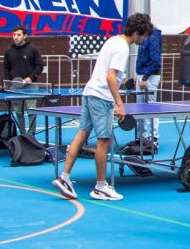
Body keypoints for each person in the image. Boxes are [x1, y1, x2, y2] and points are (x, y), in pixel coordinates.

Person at [51, 13, 154, 201]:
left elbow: (108, 75)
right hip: (101, 98)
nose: (145, 39)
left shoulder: (112, 41)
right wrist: (120, 104)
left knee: (81, 134)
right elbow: (109, 76)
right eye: (145, 35)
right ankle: (100, 187)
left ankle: (64, 177)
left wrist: (123, 84)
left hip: (90, 92)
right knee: (103, 141)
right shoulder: (123, 48)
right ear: (138, 33)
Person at [3, 24, 44, 133]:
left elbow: (40, 66)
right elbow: (6, 68)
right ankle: (22, 136)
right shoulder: (8, 51)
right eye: (14, 35)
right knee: (19, 112)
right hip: (15, 86)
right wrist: (8, 83)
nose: (16, 37)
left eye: (18, 35)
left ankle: (31, 137)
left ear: (25, 36)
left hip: (31, 86)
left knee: (31, 112)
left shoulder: (33, 49)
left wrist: (31, 77)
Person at [135, 25, 162, 145]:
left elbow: (155, 61)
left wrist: (145, 77)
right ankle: (142, 136)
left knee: (151, 107)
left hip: (150, 77)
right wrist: (138, 74)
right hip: (143, 75)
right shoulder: (145, 36)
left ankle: (153, 137)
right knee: (140, 107)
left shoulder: (153, 37)